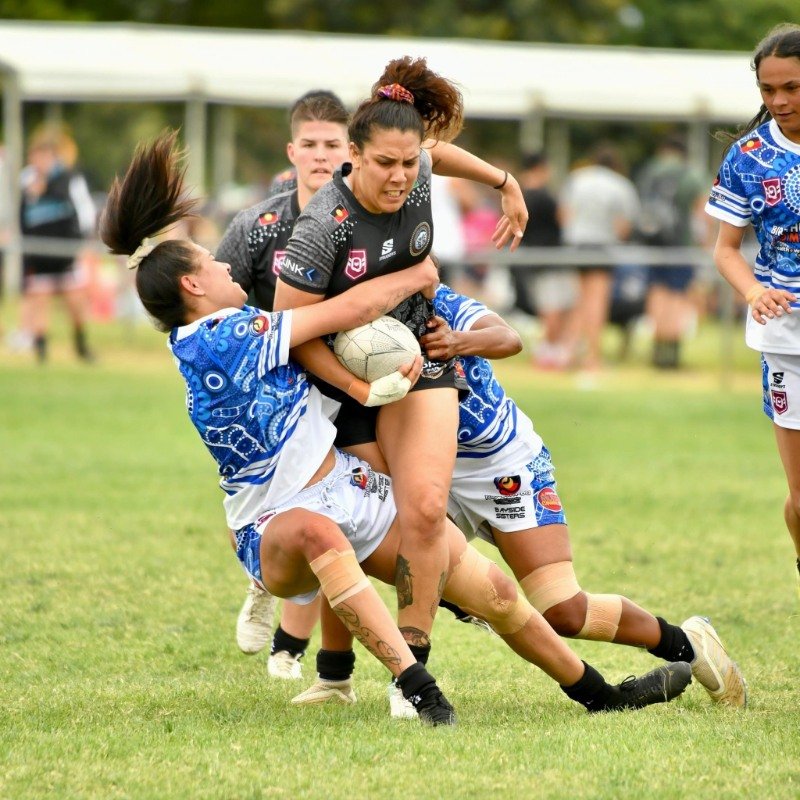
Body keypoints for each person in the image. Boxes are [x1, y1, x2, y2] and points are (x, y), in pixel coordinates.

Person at [100, 131, 692, 726]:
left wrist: (361, 385)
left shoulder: (231, 325)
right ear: (193, 287)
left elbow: (426, 154)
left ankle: (598, 694)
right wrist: (416, 274)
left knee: (493, 593)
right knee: (318, 535)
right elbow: (342, 312)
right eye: (211, 264)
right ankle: (418, 687)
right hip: (271, 522)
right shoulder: (221, 339)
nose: (226, 265)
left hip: (349, 489)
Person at [293, 284, 747, 714]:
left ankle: (685, 643)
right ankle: (338, 678)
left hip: (503, 464)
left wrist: (457, 342)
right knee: (385, 546)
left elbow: (508, 338)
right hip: (434, 477)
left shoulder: (436, 301)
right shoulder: (346, 327)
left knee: (565, 611)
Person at [273, 56, 529, 683]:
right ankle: (335, 664)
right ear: (353, 155)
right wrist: (360, 384)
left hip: (417, 359)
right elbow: (292, 334)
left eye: (410, 162)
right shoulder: (319, 229)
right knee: (374, 524)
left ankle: (414, 665)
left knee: (423, 508)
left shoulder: (419, 171)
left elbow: (445, 154)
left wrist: (506, 182)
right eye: (384, 163)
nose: (400, 176)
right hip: (337, 383)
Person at [216, 90, 351, 677]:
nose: (322, 157)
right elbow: (213, 301)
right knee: (264, 505)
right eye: (312, 146)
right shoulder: (257, 225)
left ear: (352, 151)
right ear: (292, 150)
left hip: (348, 383)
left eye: (334, 145)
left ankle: (307, 654)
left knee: (334, 511)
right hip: (273, 395)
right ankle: (261, 583)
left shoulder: (369, 215)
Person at [705, 23, 800, 592]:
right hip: (788, 338)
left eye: (792, 87)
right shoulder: (750, 157)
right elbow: (725, 250)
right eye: (769, 90)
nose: (781, 101)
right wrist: (752, 291)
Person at [560, 143, 640, 376]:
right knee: (596, 301)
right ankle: (593, 356)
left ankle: (570, 352)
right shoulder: (621, 184)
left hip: (576, 244)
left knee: (579, 299)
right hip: (602, 245)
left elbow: (564, 214)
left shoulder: (577, 178)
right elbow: (623, 225)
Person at [19, 125, 96, 363]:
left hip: (65, 254)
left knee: (74, 303)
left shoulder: (69, 179)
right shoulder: (26, 182)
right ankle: (41, 352)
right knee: (39, 301)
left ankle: (81, 345)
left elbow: (85, 212)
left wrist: (81, 243)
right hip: (39, 254)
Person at [636, 135, 707, 369]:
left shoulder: (650, 171)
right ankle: (672, 353)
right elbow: (703, 209)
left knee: (657, 294)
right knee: (678, 296)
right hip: (682, 246)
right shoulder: (691, 174)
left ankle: (657, 349)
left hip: (654, 245)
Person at [517, 151, 576, 369]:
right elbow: (563, 218)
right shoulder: (542, 195)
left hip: (533, 258)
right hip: (549, 260)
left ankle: (551, 352)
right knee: (554, 308)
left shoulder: (521, 194)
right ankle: (547, 354)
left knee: (551, 307)